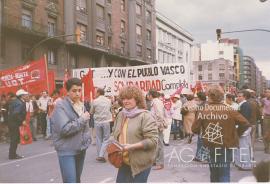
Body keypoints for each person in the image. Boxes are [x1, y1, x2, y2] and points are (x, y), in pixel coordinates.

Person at [192, 85, 250, 182]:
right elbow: (245, 123)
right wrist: (236, 134)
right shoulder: (229, 110)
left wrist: (204, 131)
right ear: (221, 97)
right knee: (224, 172)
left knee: (214, 173)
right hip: (226, 144)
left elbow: (194, 129)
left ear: (209, 96)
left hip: (211, 144)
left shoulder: (203, 110)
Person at [111, 86, 158, 182]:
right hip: (124, 162)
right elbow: (114, 132)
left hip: (140, 163)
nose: (125, 101)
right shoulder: (121, 114)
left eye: (129, 98)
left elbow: (153, 141)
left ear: (137, 99)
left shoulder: (145, 116)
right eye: (123, 98)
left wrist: (131, 147)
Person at [50, 78, 91, 183]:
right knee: (70, 181)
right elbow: (64, 129)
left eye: (79, 90)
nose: (77, 93)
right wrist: (82, 119)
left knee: (77, 180)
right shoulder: (60, 106)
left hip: (80, 148)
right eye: (74, 91)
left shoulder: (81, 105)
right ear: (67, 92)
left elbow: (85, 128)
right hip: (66, 149)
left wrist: (87, 140)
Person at [90, 88, 112, 162]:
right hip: (106, 121)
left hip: (97, 122)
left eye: (95, 92)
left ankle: (100, 155)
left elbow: (91, 112)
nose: (95, 94)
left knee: (99, 139)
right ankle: (101, 155)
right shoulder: (108, 101)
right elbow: (110, 109)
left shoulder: (95, 101)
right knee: (106, 139)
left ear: (99, 93)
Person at [234, 90, 254, 170]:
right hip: (244, 128)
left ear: (244, 97)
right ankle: (242, 163)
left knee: (244, 147)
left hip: (244, 129)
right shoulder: (243, 105)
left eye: (240, 96)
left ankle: (246, 165)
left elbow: (244, 120)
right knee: (243, 147)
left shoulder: (245, 105)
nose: (238, 97)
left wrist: (240, 131)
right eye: (238, 96)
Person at [148, 88, 167, 170]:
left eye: (148, 94)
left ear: (151, 95)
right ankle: (155, 161)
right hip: (155, 125)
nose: (147, 96)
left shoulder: (156, 102)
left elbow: (159, 115)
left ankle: (160, 163)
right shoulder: (156, 101)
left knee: (159, 144)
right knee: (156, 144)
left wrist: (159, 125)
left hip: (157, 125)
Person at [7, 89, 28, 159]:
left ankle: (12, 154)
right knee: (15, 139)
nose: (27, 96)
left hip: (12, 123)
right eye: (25, 95)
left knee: (14, 139)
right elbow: (15, 114)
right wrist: (22, 121)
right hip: (14, 123)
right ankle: (12, 155)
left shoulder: (16, 101)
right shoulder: (20, 103)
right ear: (22, 96)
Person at [193, 92, 208, 162]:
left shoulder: (203, 105)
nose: (196, 98)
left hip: (203, 126)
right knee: (200, 142)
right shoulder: (204, 104)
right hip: (203, 126)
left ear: (200, 98)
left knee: (202, 142)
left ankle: (204, 157)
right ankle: (198, 156)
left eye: (197, 97)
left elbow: (200, 117)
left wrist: (197, 125)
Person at [261, 89, 270, 154]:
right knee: (265, 133)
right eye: (266, 92)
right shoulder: (264, 100)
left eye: (268, 92)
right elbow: (261, 107)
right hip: (266, 117)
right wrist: (262, 112)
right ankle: (266, 148)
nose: (267, 93)